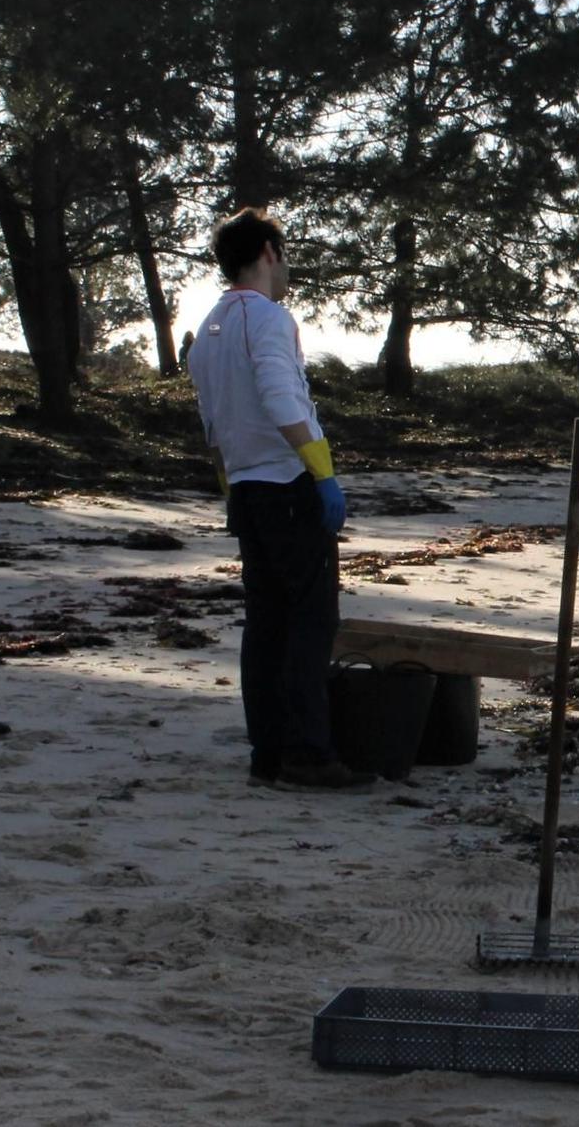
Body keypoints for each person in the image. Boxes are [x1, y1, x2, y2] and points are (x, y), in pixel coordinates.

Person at [187, 209, 371, 792]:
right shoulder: (266, 317)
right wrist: (321, 471)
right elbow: (278, 394)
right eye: (284, 255)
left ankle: (267, 751)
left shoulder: (208, 329)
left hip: (245, 488)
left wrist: (230, 484)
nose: (287, 268)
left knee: (265, 623)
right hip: (285, 486)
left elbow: (212, 422)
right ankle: (306, 753)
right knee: (310, 621)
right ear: (267, 252)